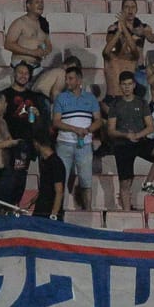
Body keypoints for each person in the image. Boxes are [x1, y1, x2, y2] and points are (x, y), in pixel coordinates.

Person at [105, 71, 154, 207]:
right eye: (124, 84)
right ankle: (127, 214)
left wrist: (137, 135)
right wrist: (126, 135)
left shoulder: (141, 102)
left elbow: (150, 127)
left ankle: (148, 183)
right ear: (120, 86)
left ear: (134, 85)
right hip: (122, 144)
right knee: (125, 183)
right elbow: (111, 130)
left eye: (129, 84)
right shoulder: (115, 105)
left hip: (140, 141)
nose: (127, 87)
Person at [52, 64, 101, 211]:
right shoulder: (61, 97)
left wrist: (87, 130)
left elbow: (98, 120)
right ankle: (59, 212)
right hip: (64, 144)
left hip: (84, 145)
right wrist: (75, 129)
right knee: (61, 180)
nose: (67, 82)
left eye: (70, 78)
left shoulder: (90, 98)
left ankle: (88, 211)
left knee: (86, 181)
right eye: (66, 79)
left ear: (79, 80)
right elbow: (56, 121)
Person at [0, 61, 49, 204]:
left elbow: (40, 124)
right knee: (6, 177)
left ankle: (14, 206)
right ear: (14, 74)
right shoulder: (5, 94)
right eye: (20, 72)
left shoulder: (35, 97)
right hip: (6, 143)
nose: (23, 76)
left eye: (26, 73)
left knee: (21, 177)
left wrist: (38, 115)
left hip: (25, 145)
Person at [101, 0, 154, 98]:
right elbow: (109, 44)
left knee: (142, 101)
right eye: (127, 7)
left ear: (136, 9)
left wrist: (138, 31)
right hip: (122, 67)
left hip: (139, 68)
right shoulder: (114, 27)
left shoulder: (143, 27)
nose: (130, 10)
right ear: (122, 9)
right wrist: (123, 30)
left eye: (133, 7)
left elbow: (152, 39)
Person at [4, 0, 52, 72]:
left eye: (42, 2)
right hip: (20, 68)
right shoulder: (20, 22)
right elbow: (8, 44)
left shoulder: (44, 23)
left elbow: (49, 45)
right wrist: (32, 52)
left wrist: (44, 51)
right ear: (28, 5)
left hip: (37, 67)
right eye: (37, 2)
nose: (41, 5)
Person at [30, 128, 65, 219]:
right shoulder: (45, 162)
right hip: (41, 209)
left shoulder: (55, 163)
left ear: (36, 143)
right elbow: (47, 186)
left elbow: (59, 191)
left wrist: (54, 214)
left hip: (48, 213)